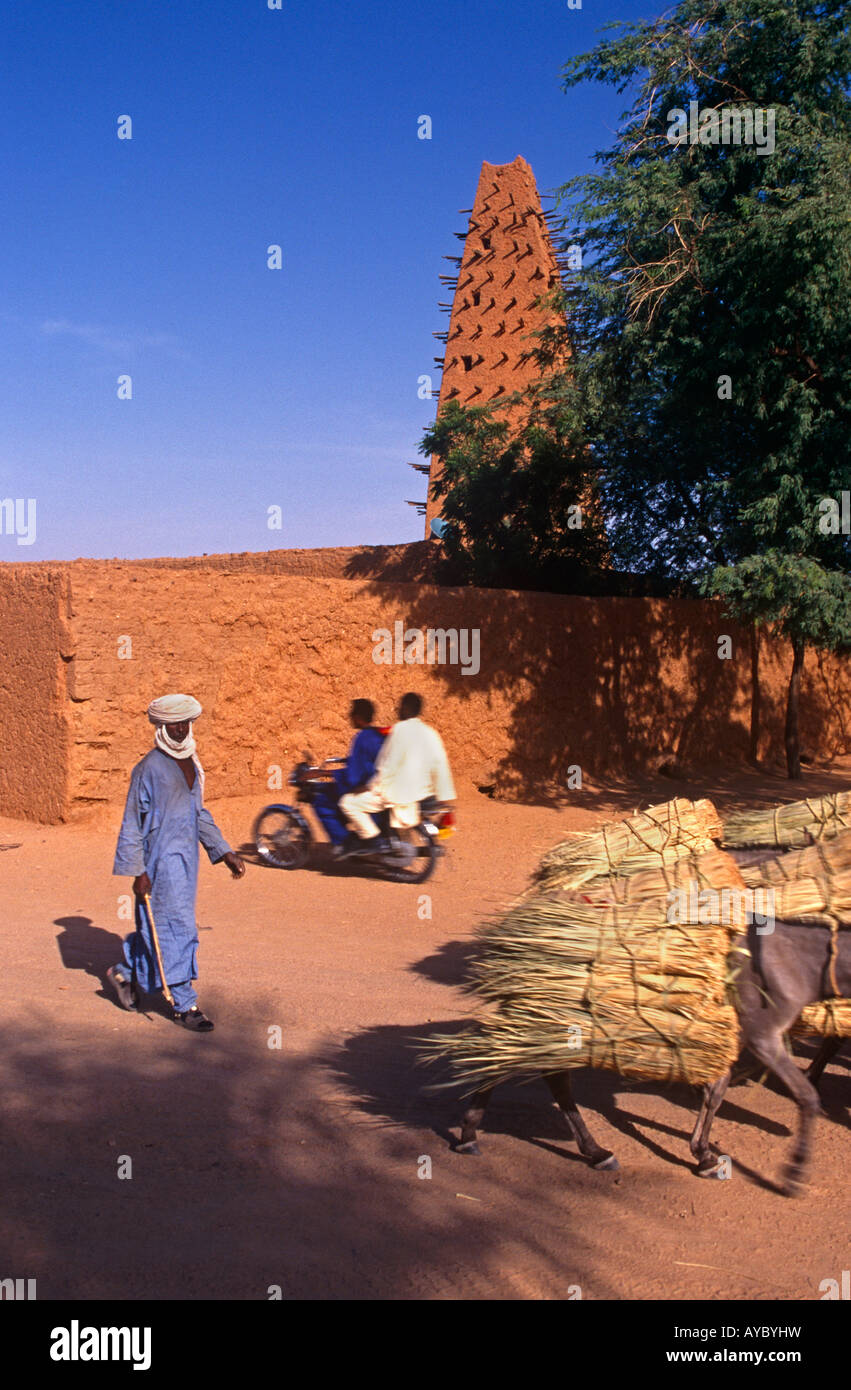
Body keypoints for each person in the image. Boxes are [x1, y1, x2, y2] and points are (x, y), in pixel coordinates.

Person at [107, 693, 244, 1032]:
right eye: (174, 724)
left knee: (157, 927)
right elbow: (131, 823)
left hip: (187, 861)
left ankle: (125, 971)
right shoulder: (148, 769)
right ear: (162, 726)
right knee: (177, 928)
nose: (181, 729)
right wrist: (138, 872)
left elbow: (199, 814)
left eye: (186, 723)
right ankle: (185, 1004)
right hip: (159, 864)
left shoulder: (193, 763)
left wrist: (224, 851)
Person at [339, 692, 455, 852]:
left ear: (406, 709)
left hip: (399, 793)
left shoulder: (399, 730)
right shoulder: (431, 733)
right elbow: (441, 765)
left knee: (347, 803)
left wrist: (370, 786)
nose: (397, 710)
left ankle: (372, 840)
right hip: (425, 793)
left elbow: (388, 766)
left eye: (399, 707)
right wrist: (444, 797)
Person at [306, 698, 386, 857]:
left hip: (368, 787)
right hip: (379, 783)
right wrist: (345, 761)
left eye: (352, 714)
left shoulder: (361, 738)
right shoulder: (376, 735)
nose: (349, 716)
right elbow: (367, 760)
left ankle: (344, 842)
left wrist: (323, 773)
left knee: (321, 800)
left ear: (358, 717)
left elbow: (352, 776)